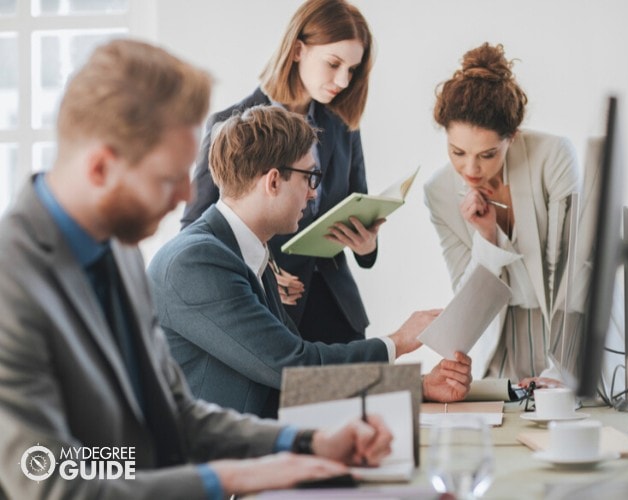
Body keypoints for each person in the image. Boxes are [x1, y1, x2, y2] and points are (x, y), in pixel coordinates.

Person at [0, 39, 396, 500]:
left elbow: (175, 413)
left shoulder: (121, 252)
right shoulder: (13, 284)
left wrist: (304, 442)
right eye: (169, 178)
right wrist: (230, 478)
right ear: (101, 167)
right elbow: (48, 474)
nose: (186, 199)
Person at [148, 105, 472, 419]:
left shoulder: (243, 251)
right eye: (310, 177)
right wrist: (397, 342)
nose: (314, 194)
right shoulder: (197, 262)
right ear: (273, 181)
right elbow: (293, 368)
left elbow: (303, 378)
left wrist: (418, 387)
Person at [181, 0, 380, 346]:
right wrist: (262, 272)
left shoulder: (344, 127)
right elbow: (196, 235)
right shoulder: (230, 126)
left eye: (352, 69)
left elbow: (357, 205)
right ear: (298, 50)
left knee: (357, 399)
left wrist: (367, 245)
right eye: (333, 64)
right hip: (268, 313)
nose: (343, 81)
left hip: (339, 313)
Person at [424, 43, 580, 386]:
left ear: (512, 137)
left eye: (488, 154)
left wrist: (562, 370)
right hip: (499, 344)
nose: (471, 168)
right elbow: (467, 301)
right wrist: (487, 237)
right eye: (457, 152)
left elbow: (575, 271)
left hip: (566, 337)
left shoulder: (552, 156)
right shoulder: (438, 192)